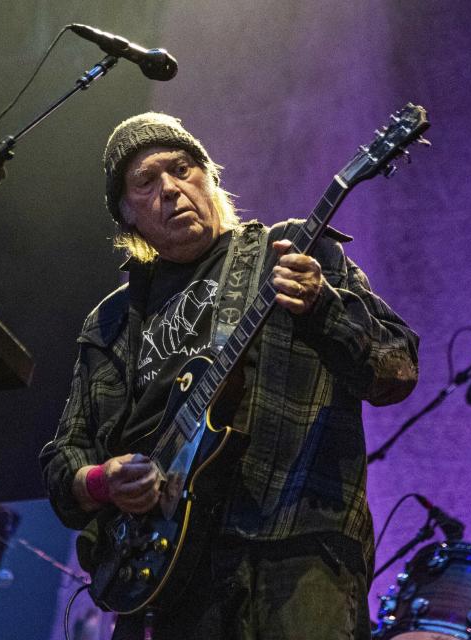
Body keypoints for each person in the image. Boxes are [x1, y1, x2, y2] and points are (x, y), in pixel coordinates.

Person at [40, 112, 419, 639]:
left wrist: (322, 306)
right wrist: (104, 482)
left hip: (292, 549)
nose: (171, 189)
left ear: (210, 176)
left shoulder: (290, 252)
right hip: (161, 575)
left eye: (183, 169)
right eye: (146, 182)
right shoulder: (110, 321)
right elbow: (65, 459)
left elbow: (397, 368)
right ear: (127, 214)